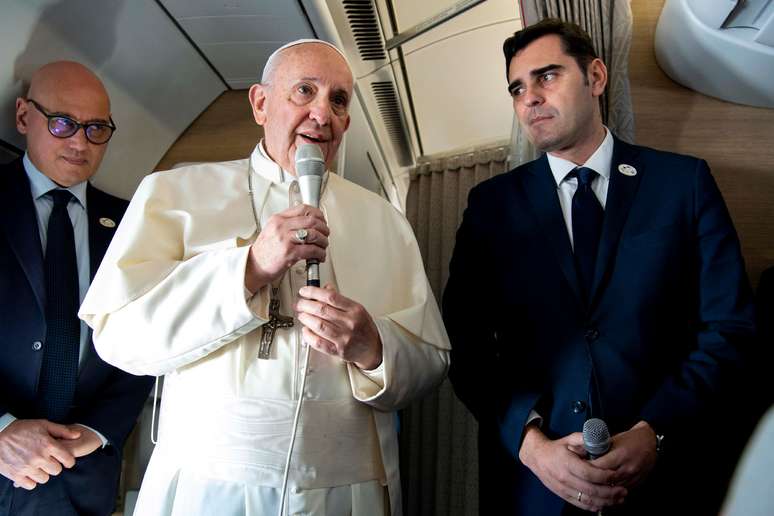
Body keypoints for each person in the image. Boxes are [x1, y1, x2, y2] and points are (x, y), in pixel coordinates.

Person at [79, 39, 450, 516]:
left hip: (342, 493)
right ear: (260, 103)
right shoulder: (173, 194)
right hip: (208, 490)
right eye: (304, 90)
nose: (322, 113)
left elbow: (431, 362)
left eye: (338, 100)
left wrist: (373, 348)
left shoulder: (386, 222)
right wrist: (249, 268)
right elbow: (119, 336)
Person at [443, 19, 755, 515]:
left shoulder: (683, 184)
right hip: (535, 489)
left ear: (596, 77)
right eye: (517, 89)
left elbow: (730, 329)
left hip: (669, 480)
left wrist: (656, 429)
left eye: (547, 76)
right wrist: (530, 443)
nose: (530, 98)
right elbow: (464, 343)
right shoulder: (491, 206)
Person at [0, 61, 153, 516]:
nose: (80, 142)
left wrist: (99, 431)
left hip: (82, 474)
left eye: (96, 129)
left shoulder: (133, 224)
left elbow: (143, 345)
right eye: (63, 123)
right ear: (23, 116)